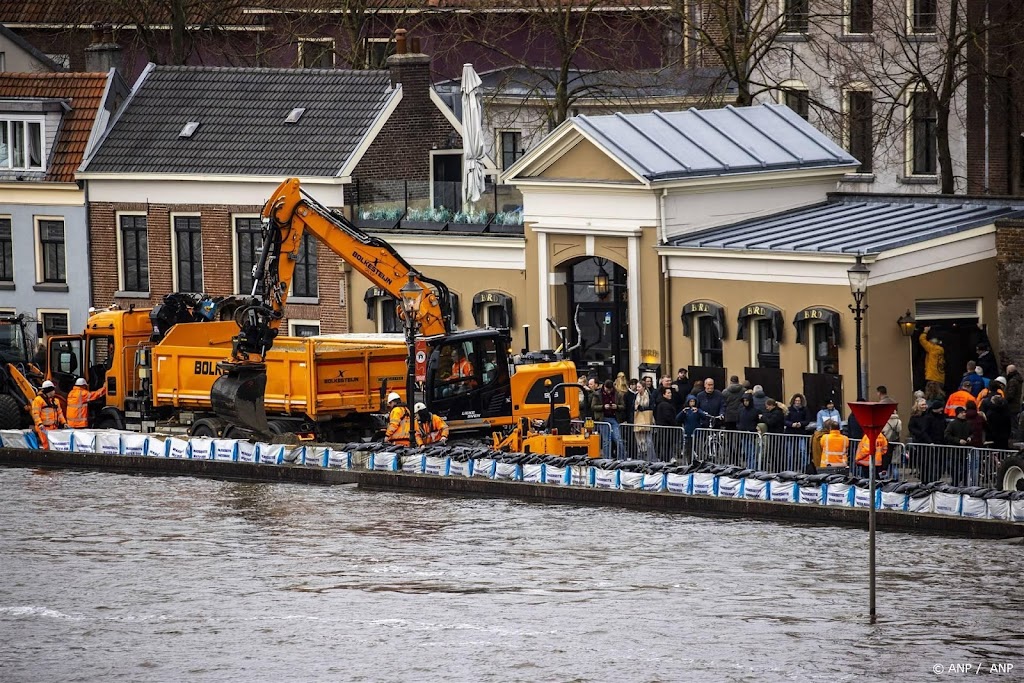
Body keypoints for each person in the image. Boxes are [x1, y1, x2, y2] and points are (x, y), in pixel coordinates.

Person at [592, 379, 624, 458]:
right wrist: (603, 407)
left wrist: (616, 407)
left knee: (618, 439)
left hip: (614, 418)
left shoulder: (618, 394)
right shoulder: (597, 394)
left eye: (610, 390)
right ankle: (607, 460)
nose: (609, 391)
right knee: (606, 441)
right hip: (603, 419)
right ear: (604, 387)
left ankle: (622, 459)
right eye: (607, 390)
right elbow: (593, 406)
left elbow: (623, 406)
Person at [31, 380, 66, 449]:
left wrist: (64, 423)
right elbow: (35, 414)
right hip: (43, 428)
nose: (54, 392)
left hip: (54, 427)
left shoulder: (55, 401)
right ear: (48, 391)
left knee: (53, 446)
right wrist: (40, 424)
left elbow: (60, 413)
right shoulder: (38, 400)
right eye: (53, 390)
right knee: (46, 445)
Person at [654, 387, 679, 461]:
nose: (670, 394)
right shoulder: (665, 405)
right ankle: (665, 460)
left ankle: (665, 460)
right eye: (668, 393)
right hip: (666, 428)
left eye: (670, 392)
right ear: (664, 395)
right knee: (666, 446)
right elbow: (668, 417)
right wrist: (675, 423)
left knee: (665, 446)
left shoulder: (663, 404)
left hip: (663, 428)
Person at [919, 327, 945, 395]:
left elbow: (922, 339)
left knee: (931, 397)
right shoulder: (940, 350)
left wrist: (925, 331)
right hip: (941, 379)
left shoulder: (932, 349)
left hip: (932, 378)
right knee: (939, 396)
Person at [632, 382, 654, 460]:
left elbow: (652, 407)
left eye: (639, 387)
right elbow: (632, 407)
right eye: (637, 387)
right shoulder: (635, 396)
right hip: (638, 419)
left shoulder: (649, 396)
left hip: (647, 419)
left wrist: (643, 408)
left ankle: (651, 458)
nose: (637, 389)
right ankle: (641, 458)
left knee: (648, 441)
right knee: (639, 440)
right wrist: (636, 407)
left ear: (644, 387)